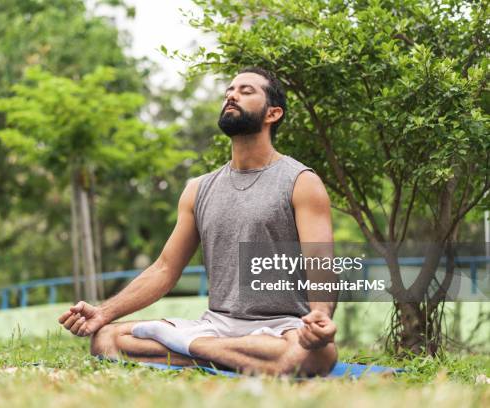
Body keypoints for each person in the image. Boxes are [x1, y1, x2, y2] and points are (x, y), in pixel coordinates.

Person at [57, 67, 337, 376]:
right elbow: (165, 269)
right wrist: (103, 312)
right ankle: (237, 356)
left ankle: (190, 347)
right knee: (107, 338)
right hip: (218, 326)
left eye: (246, 91)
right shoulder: (198, 189)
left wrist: (321, 314)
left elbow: (320, 260)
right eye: (229, 90)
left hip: (282, 327)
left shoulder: (300, 181)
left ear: (273, 113)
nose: (232, 95)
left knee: (316, 356)